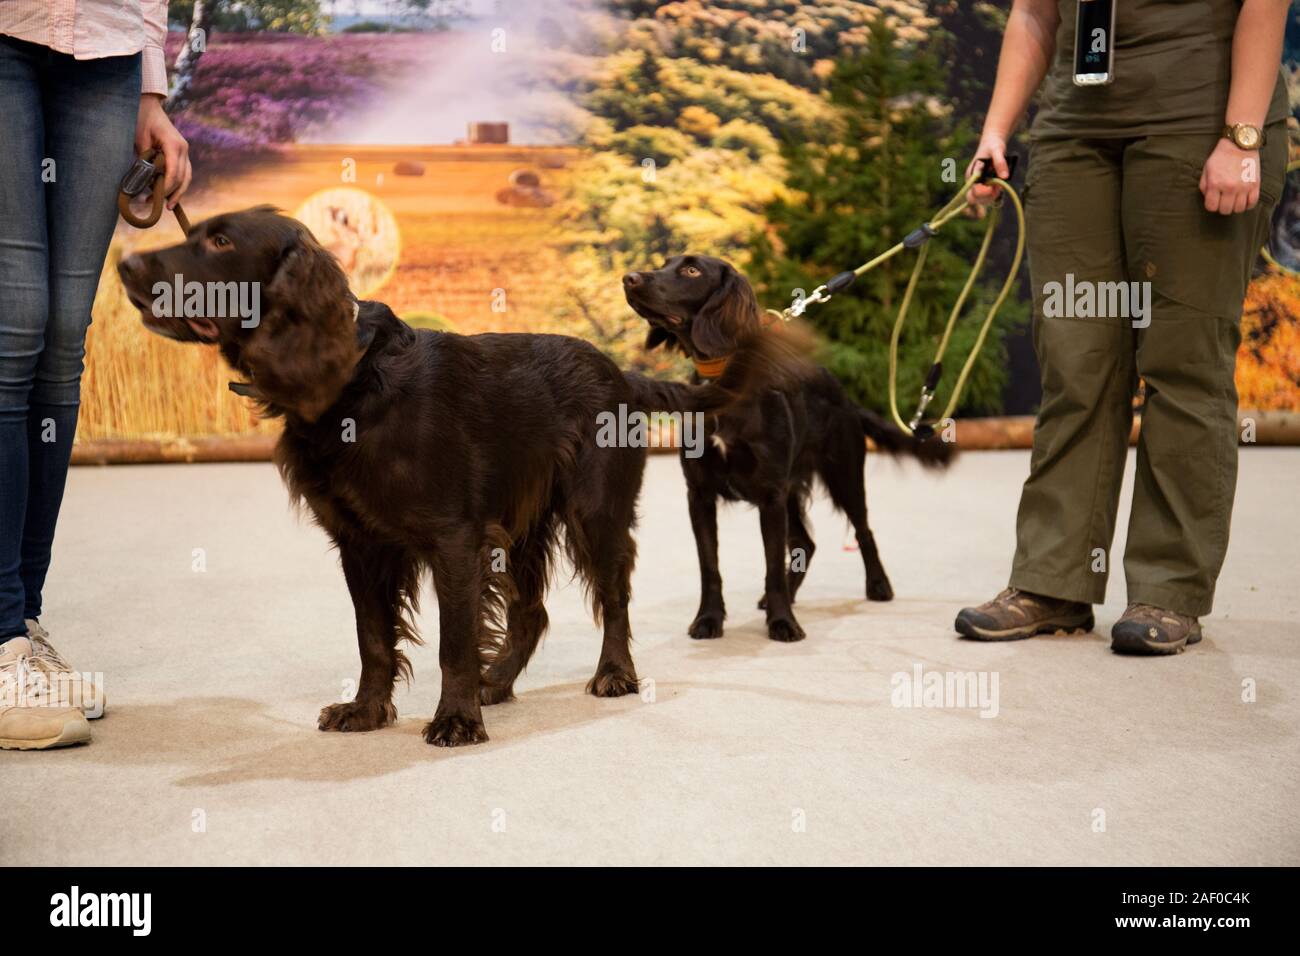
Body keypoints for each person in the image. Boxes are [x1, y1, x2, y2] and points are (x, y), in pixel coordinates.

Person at [955, 0, 1289, 654]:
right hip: (1074, 129)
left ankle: (1169, 591)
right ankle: (1053, 581)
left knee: (1181, 362)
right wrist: (994, 133)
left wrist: (1243, 135)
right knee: (1077, 362)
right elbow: (1032, 14)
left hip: (1199, 117)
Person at [0, 1, 190, 748]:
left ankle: (24, 624)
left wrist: (150, 90)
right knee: (14, 323)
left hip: (107, 54)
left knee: (61, 335)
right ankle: (0, 638)